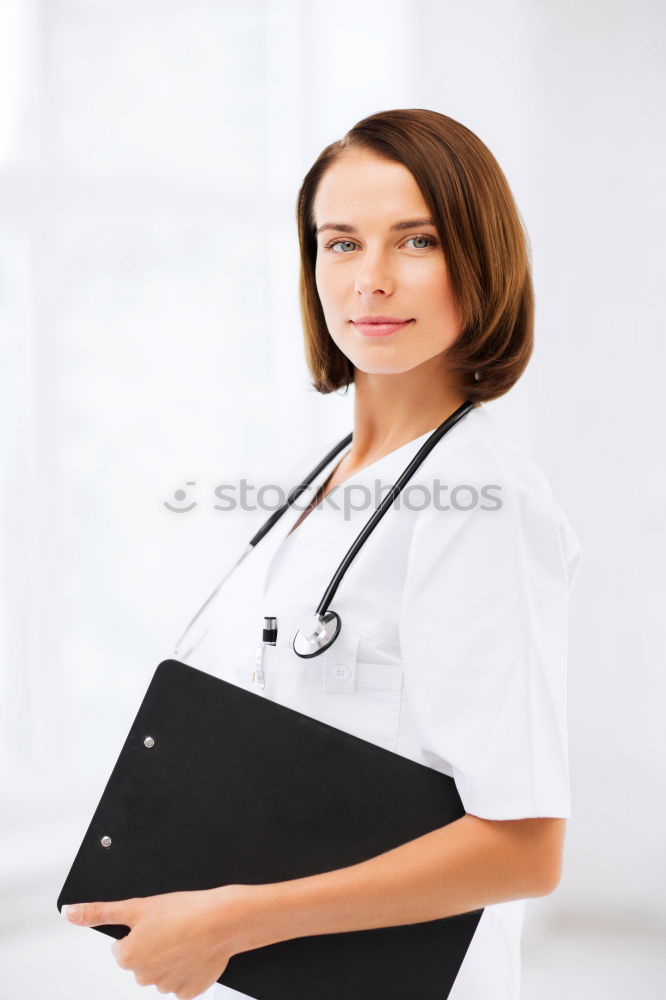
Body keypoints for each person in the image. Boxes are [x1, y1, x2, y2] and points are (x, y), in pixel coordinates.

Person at [62, 109, 582, 1000]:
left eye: (415, 240)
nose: (371, 280)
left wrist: (230, 921)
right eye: (340, 244)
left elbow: (525, 847)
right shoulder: (329, 476)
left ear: (480, 258)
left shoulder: (481, 502)